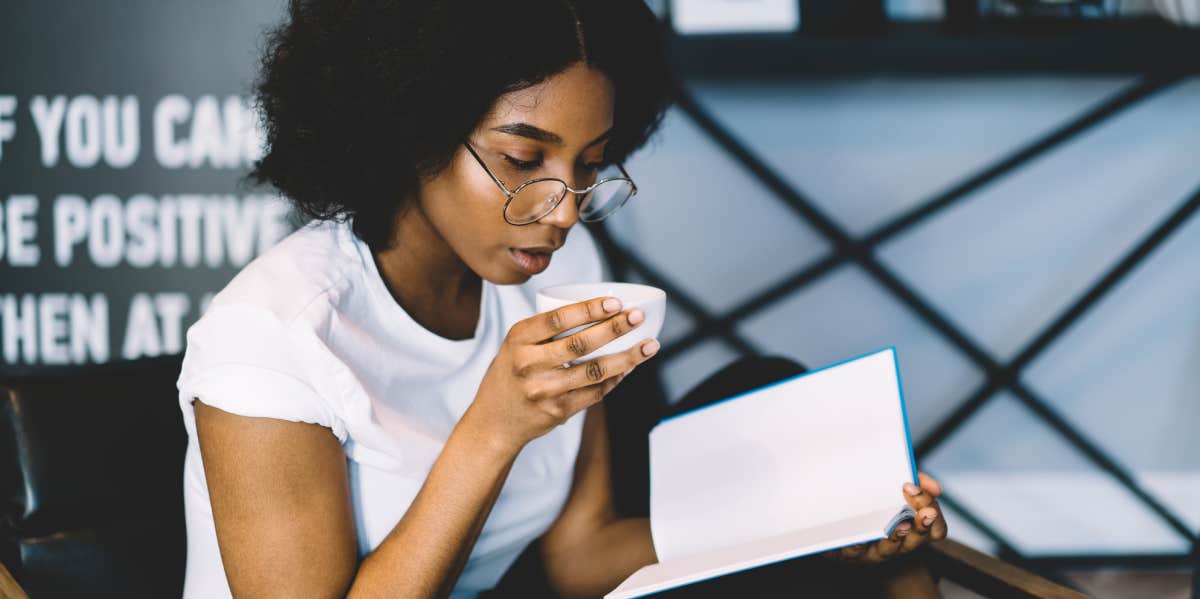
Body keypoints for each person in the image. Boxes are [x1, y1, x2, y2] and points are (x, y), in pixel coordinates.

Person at [175, 1, 948, 597]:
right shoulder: (276, 336)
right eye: (522, 158)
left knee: (790, 439)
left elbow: (581, 554)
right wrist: (491, 428)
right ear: (411, 130)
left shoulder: (554, 269)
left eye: (590, 165)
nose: (565, 209)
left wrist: (816, 524)